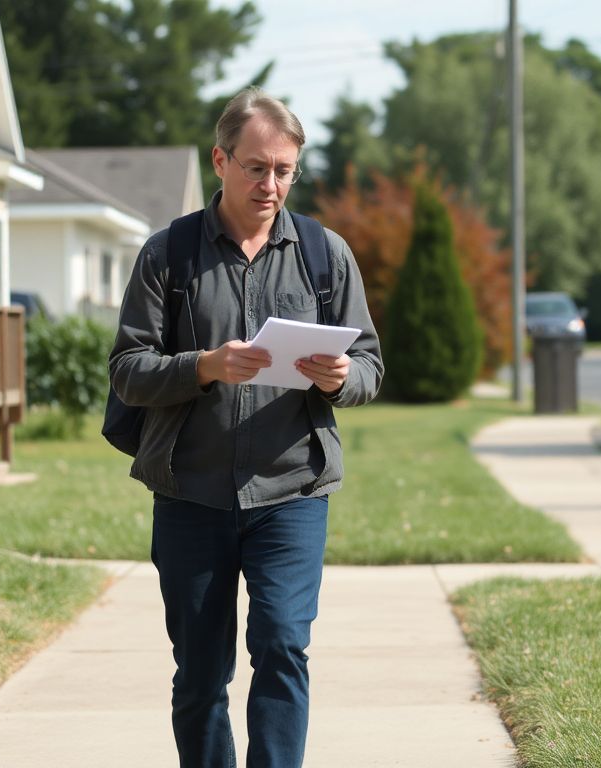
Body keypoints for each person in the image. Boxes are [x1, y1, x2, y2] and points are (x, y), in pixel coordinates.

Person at [109, 87, 383, 768]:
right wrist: (203, 365)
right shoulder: (167, 255)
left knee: (284, 645)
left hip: (292, 492)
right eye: (256, 167)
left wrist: (341, 378)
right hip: (190, 494)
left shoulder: (324, 253)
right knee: (201, 675)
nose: (271, 184)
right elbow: (127, 369)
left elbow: (371, 364)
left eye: (284, 170)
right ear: (220, 160)